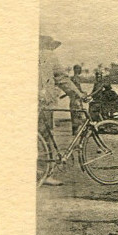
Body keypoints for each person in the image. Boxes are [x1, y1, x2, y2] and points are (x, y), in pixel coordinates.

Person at [38, 34, 84, 186]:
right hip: (44, 103)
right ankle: (45, 173)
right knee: (45, 136)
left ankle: (40, 172)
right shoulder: (49, 56)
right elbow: (62, 78)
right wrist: (78, 94)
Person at [69, 65, 86, 134]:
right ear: (75, 70)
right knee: (77, 113)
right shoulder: (75, 78)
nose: (79, 70)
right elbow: (76, 89)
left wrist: (82, 92)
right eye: (78, 69)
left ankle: (75, 131)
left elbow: (77, 89)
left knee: (76, 114)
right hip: (75, 98)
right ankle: (76, 131)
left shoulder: (74, 78)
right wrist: (82, 93)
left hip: (75, 98)